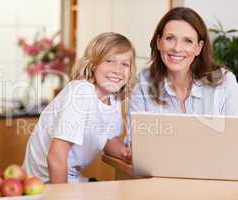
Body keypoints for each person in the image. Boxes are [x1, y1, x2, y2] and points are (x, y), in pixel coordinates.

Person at [23, 32, 137, 184]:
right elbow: (56, 157)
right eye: (110, 61)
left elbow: (108, 138)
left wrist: (125, 152)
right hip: (44, 184)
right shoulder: (81, 92)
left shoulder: (113, 98)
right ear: (93, 64)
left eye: (125, 64)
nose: (118, 70)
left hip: (72, 179)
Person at [126, 7, 238, 145]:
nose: (177, 48)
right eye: (170, 38)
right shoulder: (143, 82)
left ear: (199, 47)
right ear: (158, 42)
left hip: (213, 166)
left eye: (188, 41)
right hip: (157, 166)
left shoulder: (225, 82)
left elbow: (233, 143)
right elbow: (135, 144)